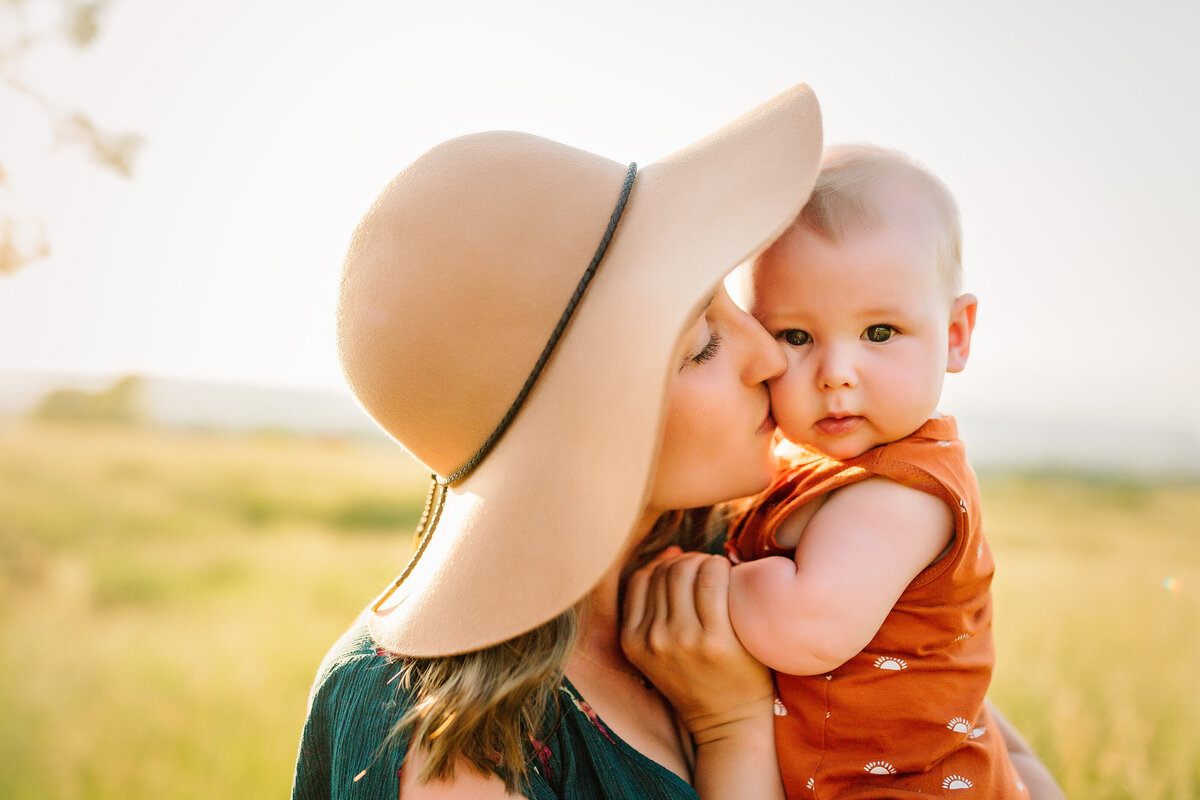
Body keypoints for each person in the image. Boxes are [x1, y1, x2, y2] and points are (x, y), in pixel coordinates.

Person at [291, 89, 1061, 800]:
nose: (768, 355)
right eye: (700, 345)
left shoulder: (756, 553)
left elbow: (982, 747)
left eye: (735, 304)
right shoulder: (442, 726)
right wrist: (731, 729)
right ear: (590, 423)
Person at [724, 145, 1024, 797]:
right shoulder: (830, 466)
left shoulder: (899, 494)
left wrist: (698, 579)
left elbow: (806, 629)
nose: (835, 372)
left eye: (880, 333)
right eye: (796, 337)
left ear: (955, 334)